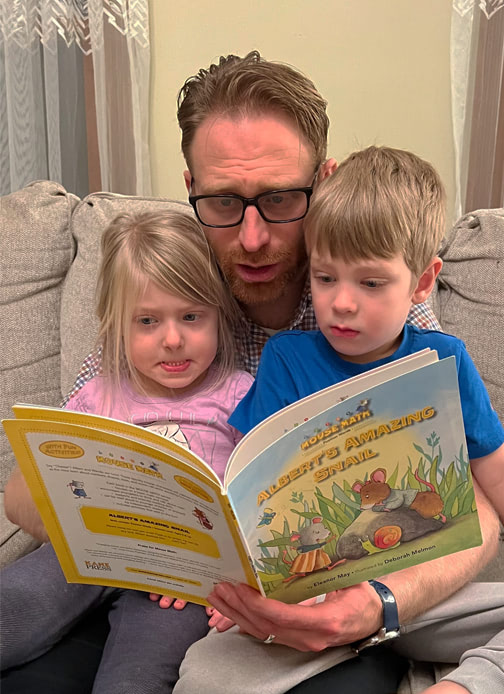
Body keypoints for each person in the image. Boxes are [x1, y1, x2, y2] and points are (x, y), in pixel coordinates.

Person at [3, 52, 500, 694]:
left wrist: (376, 603)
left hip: (316, 600)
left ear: (322, 181)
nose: (254, 236)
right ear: (189, 188)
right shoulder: (169, 286)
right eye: (222, 202)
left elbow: (476, 505)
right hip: (134, 589)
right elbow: (31, 483)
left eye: (279, 198)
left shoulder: (383, 309)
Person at [172, 146, 504, 694]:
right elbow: (249, 487)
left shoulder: (446, 360)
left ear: (423, 282)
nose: (342, 304)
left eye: (371, 284)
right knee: (204, 673)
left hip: (419, 591)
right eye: (326, 279)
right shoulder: (286, 358)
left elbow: (492, 476)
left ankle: (466, 685)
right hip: (311, 593)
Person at [0, 210, 254, 693]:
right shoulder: (97, 395)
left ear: (221, 315)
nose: (173, 338)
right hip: (87, 552)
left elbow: (255, 502)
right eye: (147, 321)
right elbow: (48, 476)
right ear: (116, 326)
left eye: (192, 316)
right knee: (17, 600)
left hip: (180, 582)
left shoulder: (240, 395)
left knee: (139, 673)